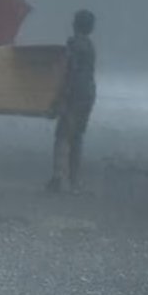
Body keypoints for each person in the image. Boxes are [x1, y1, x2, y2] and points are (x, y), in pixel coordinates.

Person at [48, 10, 97, 194]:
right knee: (77, 137)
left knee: (62, 135)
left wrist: (59, 96)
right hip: (88, 93)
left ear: (74, 24)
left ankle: (58, 177)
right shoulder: (91, 46)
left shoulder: (73, 44)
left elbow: (69, 71)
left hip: (73, 94)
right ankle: (74, 180)